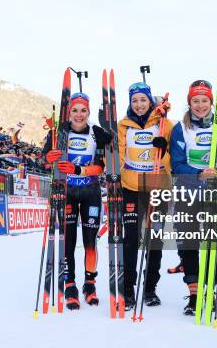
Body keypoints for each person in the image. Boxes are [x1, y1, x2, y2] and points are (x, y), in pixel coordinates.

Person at [169, 80, 217, 315]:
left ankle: (211, 292)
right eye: (195, 101)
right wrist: (198, 173)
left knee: (212, 244)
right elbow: (176, 164)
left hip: (215, 192)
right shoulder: (180, 128)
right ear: (189, 103)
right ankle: (194, 293)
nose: (200, 105)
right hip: (187, 192)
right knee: (189, 243)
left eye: (204, 100)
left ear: (211, 102)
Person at [41, 92, 110, 310]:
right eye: (74, 110)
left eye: (83, 110)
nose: (79, 115)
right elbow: (44, 160)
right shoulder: (58, 133)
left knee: (90, 242)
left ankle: (90, 284)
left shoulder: (96, 133)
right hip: (67, 192)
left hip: (90, 191)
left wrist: (79, 169)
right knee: (67, 241)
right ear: (68, 112)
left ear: (88, 112)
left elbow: (101, 167)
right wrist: (48, 158)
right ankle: (69, 284)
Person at [118, 82, 173, 310]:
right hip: (130, 188)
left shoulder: (164, 124)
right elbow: (119, 155)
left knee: (154, 239)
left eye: (143, 100)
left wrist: (164, 150)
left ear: (150, 101)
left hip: (157, 188)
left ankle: (150, 289)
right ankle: (128, 290)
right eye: (134, 100)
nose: (139, 105)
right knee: (130, 240)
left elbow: (174, 156)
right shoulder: (123, 126)